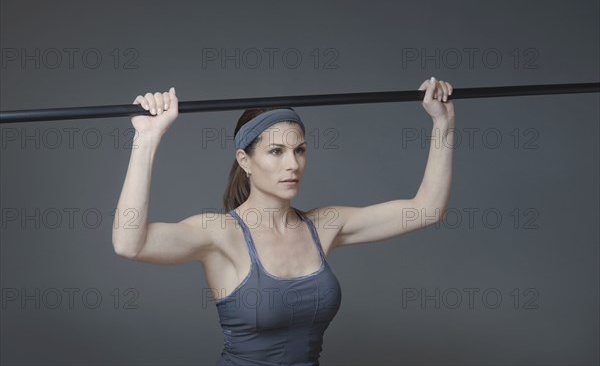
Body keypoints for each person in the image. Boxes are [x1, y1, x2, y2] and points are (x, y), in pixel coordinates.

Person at [112, 77, 455, 365]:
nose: (293, 164)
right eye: (276, 151)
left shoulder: (324, 225)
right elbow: (130, 243)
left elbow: (427, 209)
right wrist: (147, 139)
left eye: (300, 150)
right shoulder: (221, 234)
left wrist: (443, 124)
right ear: (245, 160)